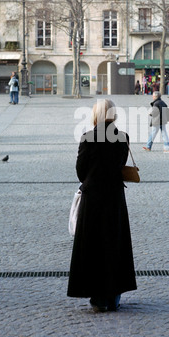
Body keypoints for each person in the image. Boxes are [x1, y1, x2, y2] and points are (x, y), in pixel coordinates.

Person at [67, 99, 137, 312]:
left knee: (93, 244)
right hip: (114, 196)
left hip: (93, 198)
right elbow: (120, 164)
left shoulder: (88, 138)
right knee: (114, 243)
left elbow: (80, 171)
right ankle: (114, 294)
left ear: (95, 114)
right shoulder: (123, 137)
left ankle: (97, 297)